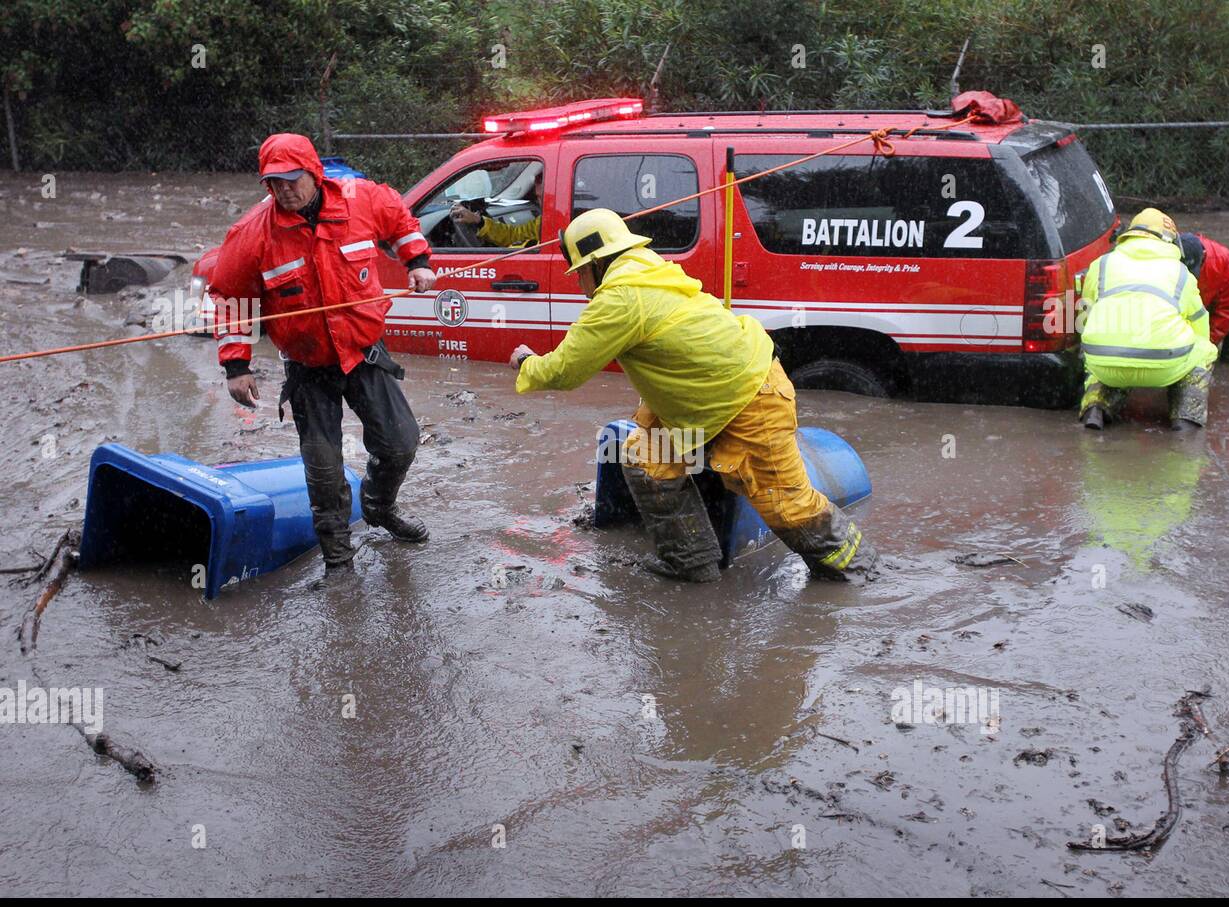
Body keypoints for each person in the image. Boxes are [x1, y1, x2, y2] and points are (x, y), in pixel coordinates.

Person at [508, 208, 878, 584]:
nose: (579, 284)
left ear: (594, 265)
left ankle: (858, 567)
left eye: (579, 274)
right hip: (719, 392)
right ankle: (691, 561)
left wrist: (526, 363)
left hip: (751, 398)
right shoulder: (651, 269)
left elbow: (565, 371)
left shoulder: (619, 299)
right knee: (648, 456)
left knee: (785, 504)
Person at [210, 133, 435, 574]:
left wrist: (417, 260)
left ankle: (378, 506)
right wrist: (236, 366)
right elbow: (230, 298)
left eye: (293, 180)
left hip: (364, 352)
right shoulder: (252, 234)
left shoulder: (361, 198)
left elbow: (400, 221)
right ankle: (338, 560)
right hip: (307, 366)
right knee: (324, 469)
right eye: (274, 183)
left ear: (315, 174)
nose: (284, 190)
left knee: (400, 443)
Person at [1078, 208, 1217, 431]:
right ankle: (1186, 418)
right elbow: (1200, 323)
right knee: (1205, 349)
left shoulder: (1101, 264)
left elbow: (1085, 315)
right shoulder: (1182, 273)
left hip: (1104, 362)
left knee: (1101, 343)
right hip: (1164, 364)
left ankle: (1096, 407)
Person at [1177, 231, 1229, 362]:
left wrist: (1208, 343)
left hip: (1206, 310)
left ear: (1203, 257)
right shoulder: (1163, 256)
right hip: (1176, 311)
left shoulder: (1223, 260)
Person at [449, 169, 542, 247]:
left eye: (542, 197)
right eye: (538, 197)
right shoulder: (542, 222)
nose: (539, 201)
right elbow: (514, 236)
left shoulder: (553, 224)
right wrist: (478, 221)